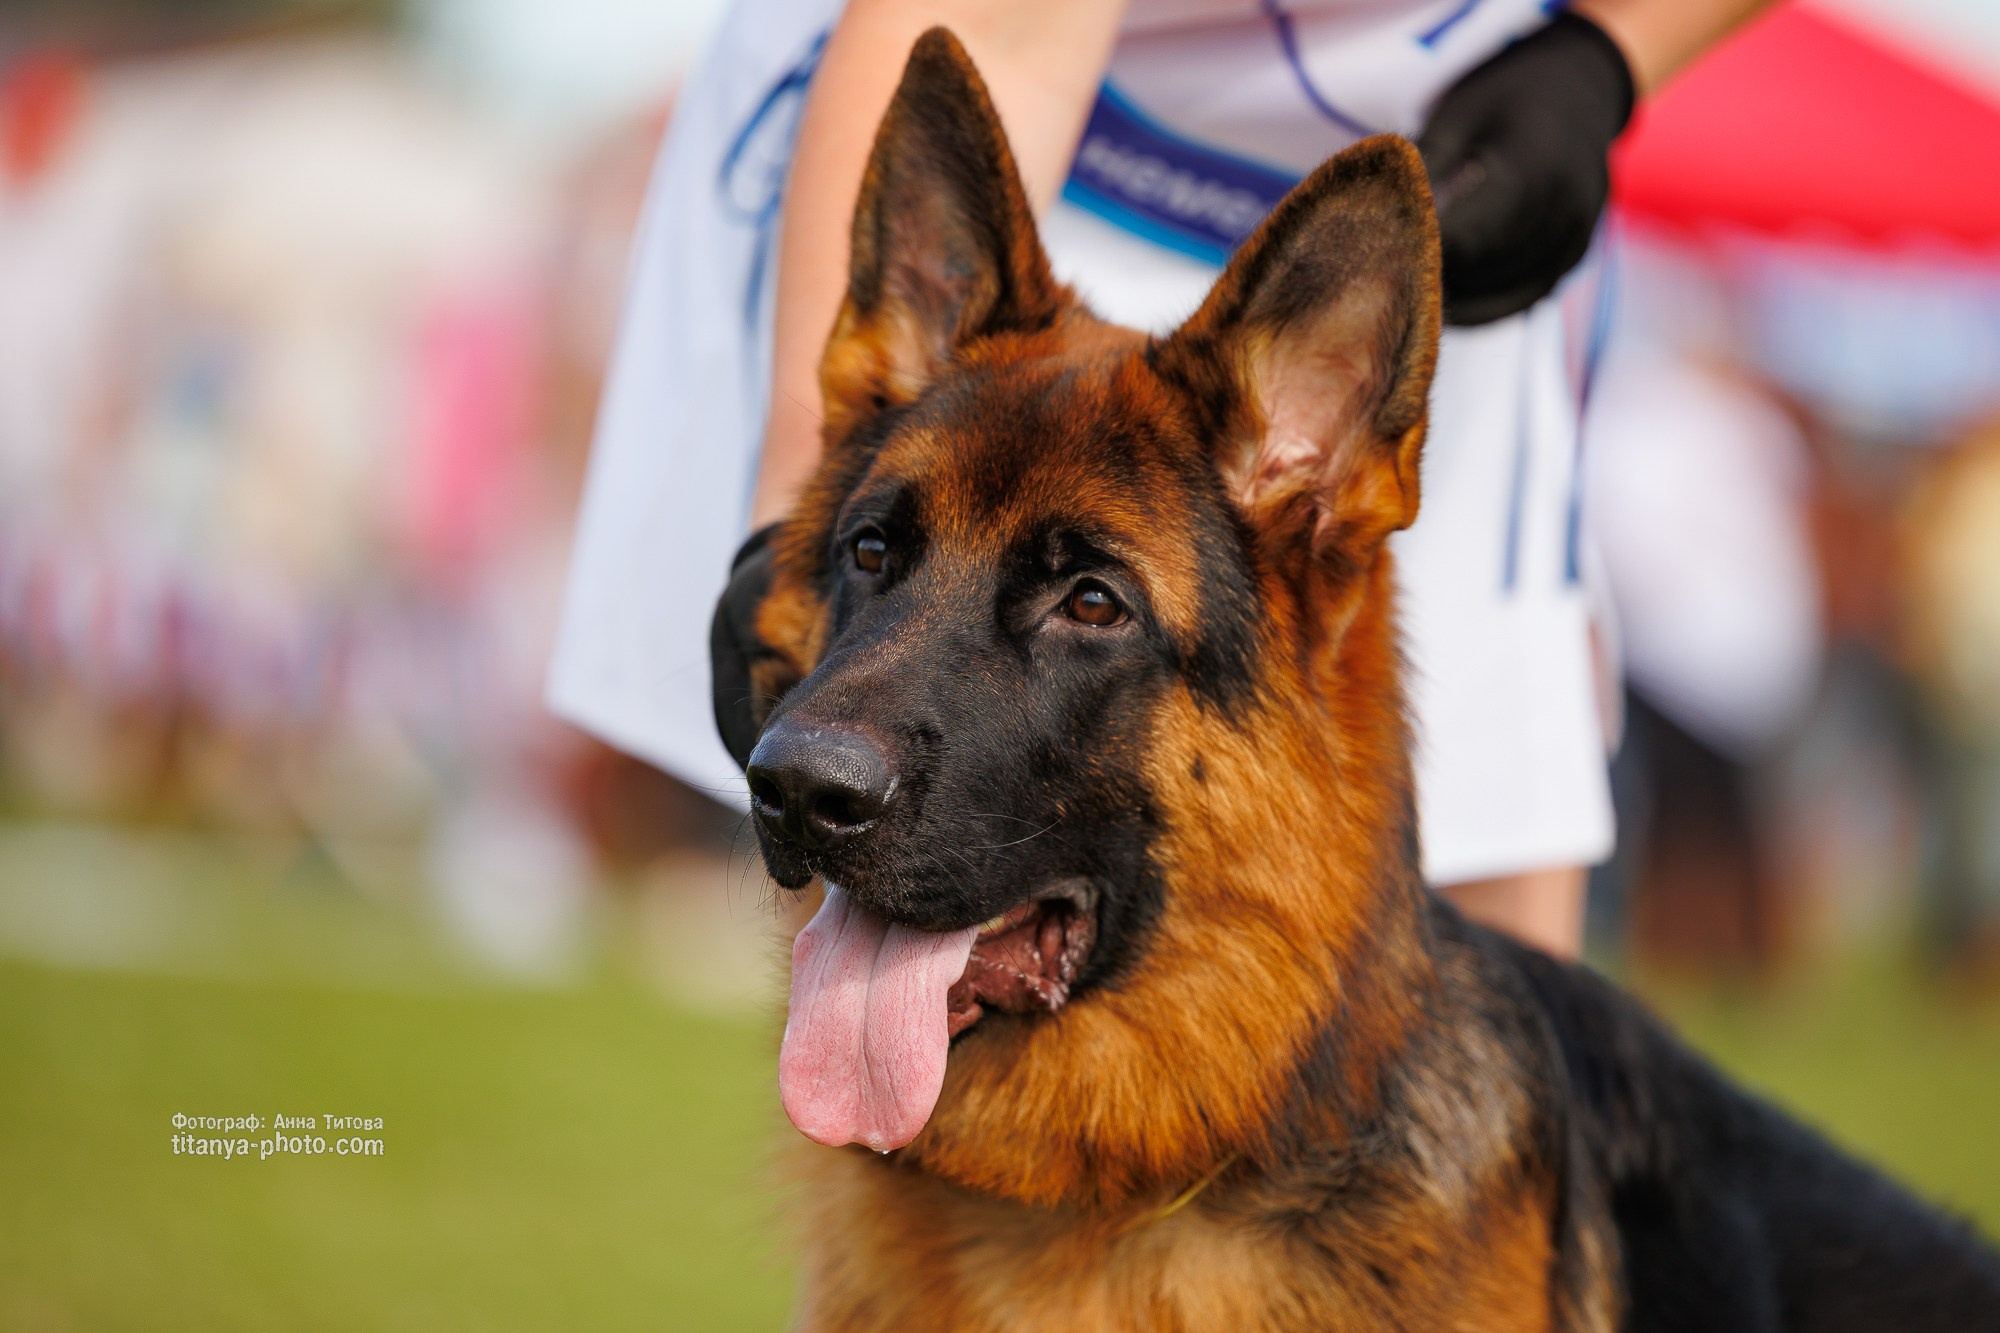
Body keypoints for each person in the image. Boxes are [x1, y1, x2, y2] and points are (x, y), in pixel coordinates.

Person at [548, 0, 1771, 958]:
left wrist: (1612, 49)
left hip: (1443, 170)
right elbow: (992, 28)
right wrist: (807, 518)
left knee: (1491, 919)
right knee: (891, 823)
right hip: (1056, 111)